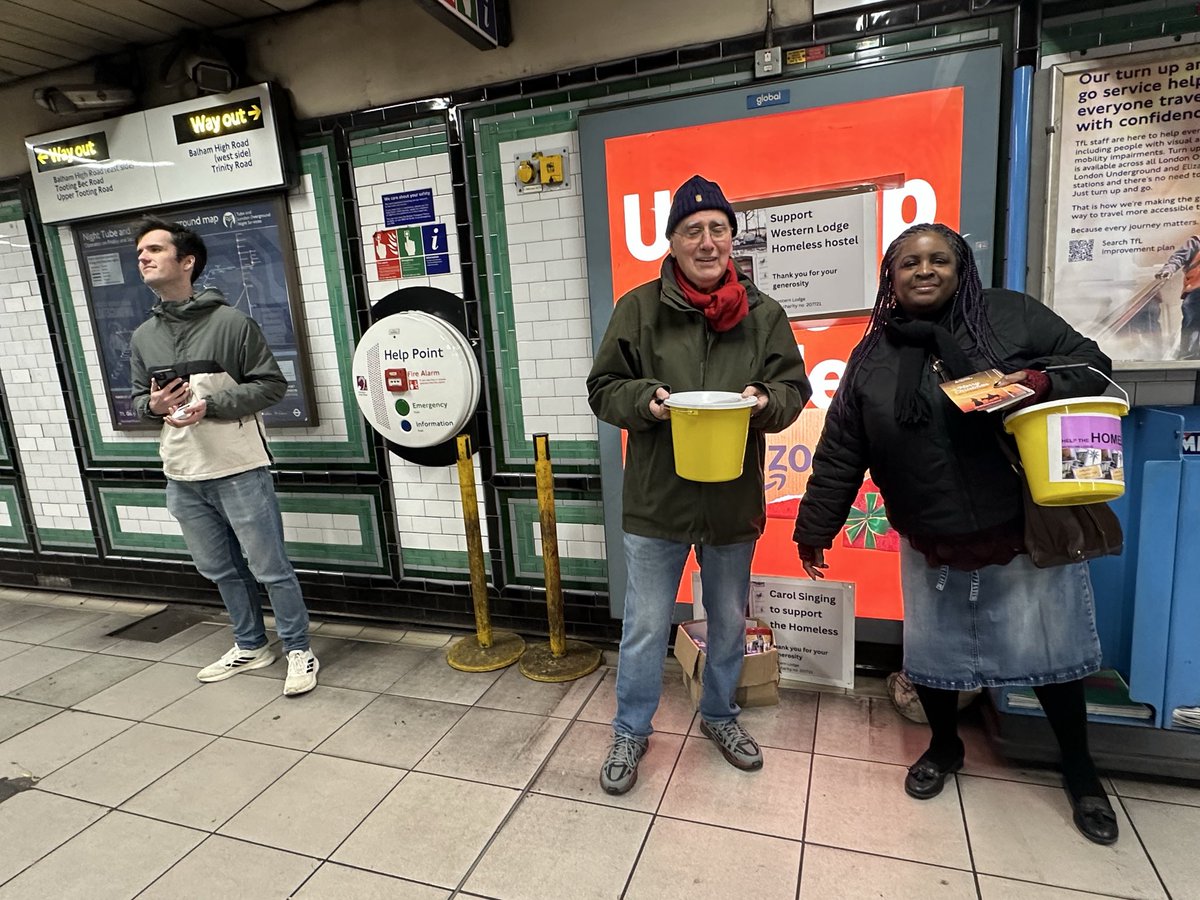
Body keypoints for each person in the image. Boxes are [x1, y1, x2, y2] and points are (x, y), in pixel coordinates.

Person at [793, 223, 1120, 845]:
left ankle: (1080, 771)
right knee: (936, 659)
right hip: (929, 533)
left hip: (1020, 526)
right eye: (909, 262)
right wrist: (816, 528)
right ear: (890, 278)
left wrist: (1040, 383)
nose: (924, 270)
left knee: (1051, 659)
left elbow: (1094, 367)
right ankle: (945, 748)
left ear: (960, 268)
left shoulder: (1009, 317)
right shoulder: (872, 355)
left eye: (938, 259)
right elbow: (841, 450)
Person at [587, 175, 811, 795]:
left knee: (729, 622)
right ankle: (631, 731)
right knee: (645, 624)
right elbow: (603, 388)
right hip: (657, 502)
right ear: (674, 241)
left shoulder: (765, 315)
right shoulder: (639, 308)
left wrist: (766, 401)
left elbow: (795, 391)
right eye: (692, 230)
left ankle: (720, 716)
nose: (706, 241)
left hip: (733, 499)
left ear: (732, 238)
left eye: (717, 228)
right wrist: (646, 401)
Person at [129, 217, 319, 696]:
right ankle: (251, 645)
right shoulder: (142, 337)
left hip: (238, 468)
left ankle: (298, 648)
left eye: (154, 250)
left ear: (186, 261)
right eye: (139, 253)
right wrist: (152, 406)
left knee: (270, 566)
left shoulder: (231, 323)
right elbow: (137, 401)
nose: (143, 258)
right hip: (181, 472)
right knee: (221, 569)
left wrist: (209, 406)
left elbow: (272, 385)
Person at [1155, 234, 1200, 359]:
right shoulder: (1196, 241)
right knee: (1193, 320)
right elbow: (1179, 257)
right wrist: (1169, 269)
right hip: (1196, 290)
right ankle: (1189, 353)